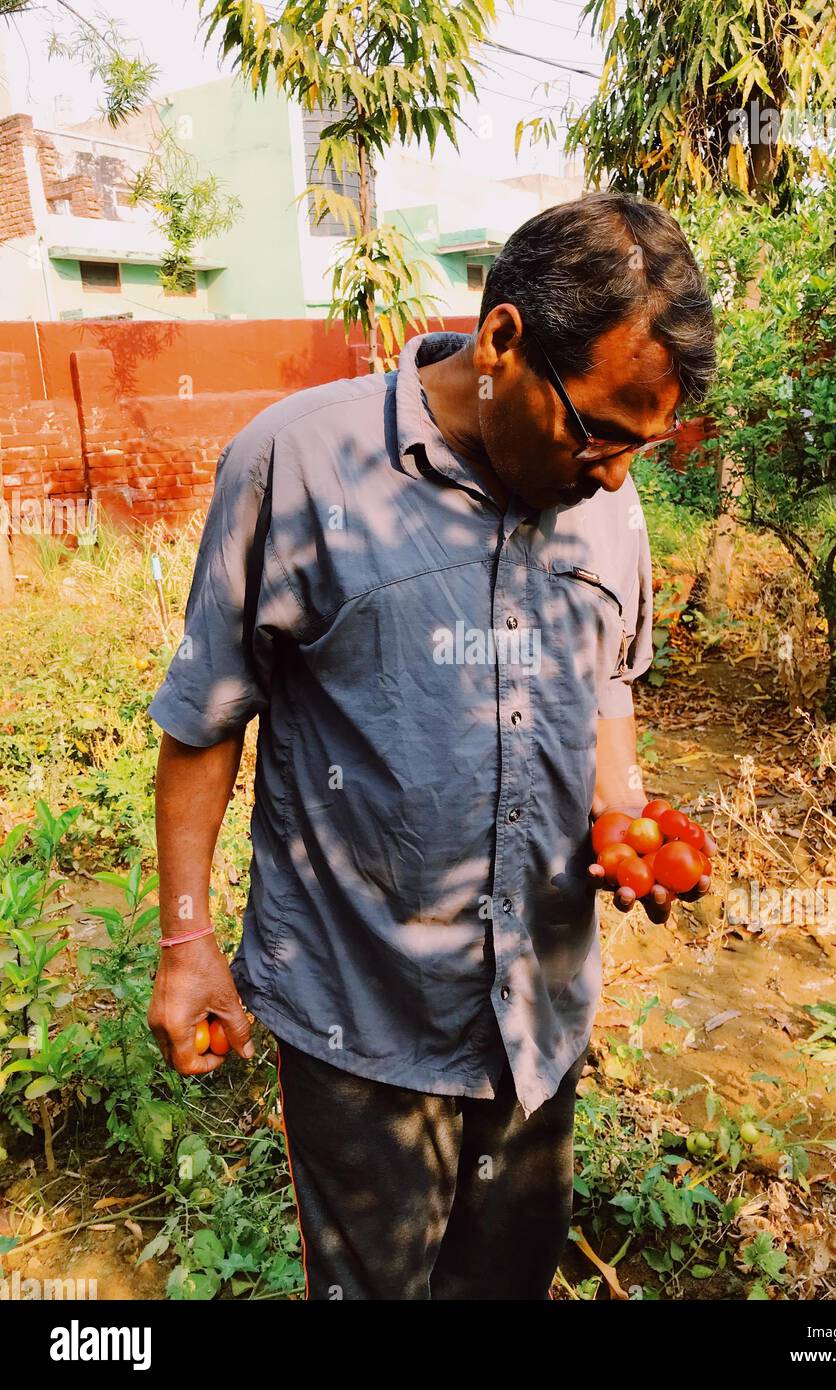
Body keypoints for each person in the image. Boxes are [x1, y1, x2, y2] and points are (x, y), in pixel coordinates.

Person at [147, 191, 717, 1301]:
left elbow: (606, 677)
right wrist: (186, 942)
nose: (616, 474)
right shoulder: (298, 464)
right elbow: (204, 718)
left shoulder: (610, 500)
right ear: (502, 341)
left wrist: (622, 810)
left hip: (537, 1020)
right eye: (600, 431)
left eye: (647, 447)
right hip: (362, 1021)